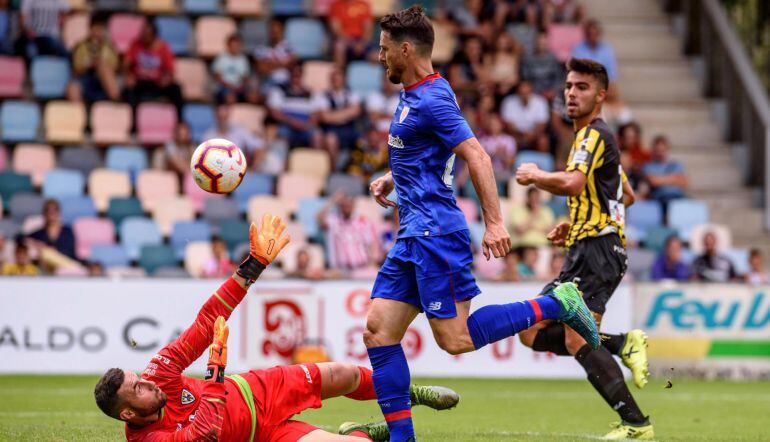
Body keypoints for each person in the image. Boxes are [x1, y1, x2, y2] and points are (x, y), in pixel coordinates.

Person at [360, 8, 600, 440]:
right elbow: (429, 151)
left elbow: (478, 155)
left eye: (384, 49)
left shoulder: (432, 97)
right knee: (379, 331)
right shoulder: (419, 91)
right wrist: (393, 176)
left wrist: (494, 223)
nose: (380, 57)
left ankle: (557, 304)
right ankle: (403, 438)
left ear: (406, 49)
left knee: (456, 341)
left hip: (435, 232)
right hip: (413, 232)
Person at [93, 214, 459, 441]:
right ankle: (361, 431)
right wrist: (215, 368)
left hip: (262, 390)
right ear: (127, 413)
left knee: (346, 373)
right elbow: (204, 435)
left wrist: (253, 266)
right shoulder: (150, 440)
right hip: (264, 435)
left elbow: (206, 322)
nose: (149, 380)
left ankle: (409, 394)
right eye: (138, 387)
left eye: (139, 375)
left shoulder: (159, 371)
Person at [514, 58, 654, 439]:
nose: (572, 94)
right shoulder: (593, 139)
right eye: (569, 86)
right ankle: (622, 343)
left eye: (582, 88)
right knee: (531, 331)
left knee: (575, 336)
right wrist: (576, 222)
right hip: (588, 246)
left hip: (598, 251)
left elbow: (575, 184)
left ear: (601, 96)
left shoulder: (593, 134)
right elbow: (625, 194)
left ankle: (636, 424)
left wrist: (537, 177)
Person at [123, 21, 183, 116]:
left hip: (157, 83)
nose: (143, 36)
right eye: (142, 33)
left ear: (153, 36)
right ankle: (133, 123)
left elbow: (170, 69)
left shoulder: (164, 48)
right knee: (127, 91)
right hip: (140, 82)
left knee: (176, 89)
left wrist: (166, 78)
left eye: (147, 34)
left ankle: (180, 120)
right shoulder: (136, 44)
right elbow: (126, 64)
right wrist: (129, 76)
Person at [317, 191, 380, 272]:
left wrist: (371, 263)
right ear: (339, 206)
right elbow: (319, 218)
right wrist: (332, 201)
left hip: (361, 268)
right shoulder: (333, 220)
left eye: (349, 204)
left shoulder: (362, 221)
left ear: (353, 205)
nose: (347, 207)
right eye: (344, 205)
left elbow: (370, 244)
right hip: (340, 270)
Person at [267, 64, 323, 149]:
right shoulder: (279, 91)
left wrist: (307, 124)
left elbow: (317, 113)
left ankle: (316, 161)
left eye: (298, 75)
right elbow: (275, 113)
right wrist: (293, 122)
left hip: (306, 126)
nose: (296, 78)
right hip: (287, 126)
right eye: (294, 75)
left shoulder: (311, 93)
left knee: (317, 136)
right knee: (281, 137)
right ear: (289, 75)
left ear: (302, 75)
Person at [316, 67, 363, 167]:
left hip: (350, 129)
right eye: (334, 79)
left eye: (338, 78)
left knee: (363, 140)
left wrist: (334, 115)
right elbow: (325, 117)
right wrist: (346, 114)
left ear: (344, 79)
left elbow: (356, 111)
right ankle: (333, 169)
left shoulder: (352, 94)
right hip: (332, 129)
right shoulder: (322, 95)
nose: (336, 81)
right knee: (330, 139)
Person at [70, 15, 120, 102]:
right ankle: (79, 114)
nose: (97, 32)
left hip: (103, 81)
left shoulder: (109, 46)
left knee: (102, 67)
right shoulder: (81, 46)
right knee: (72, 88)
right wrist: (90, 65)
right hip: (86, 78)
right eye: (95, 28)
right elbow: (76, 69)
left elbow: (115, 68)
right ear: (90, 28)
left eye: (100, 29)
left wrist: (100, 64)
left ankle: (116, 103)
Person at [500, 80, 550, 149]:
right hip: (516, 135)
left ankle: (543, 159)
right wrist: (522, 135)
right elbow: (508, 126)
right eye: (522, 93)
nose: (524, 95)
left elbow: (542, 126)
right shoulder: (508, 102)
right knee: (509, 140)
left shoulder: (540, 102)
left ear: (531, 91)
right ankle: (514, 160)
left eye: (527, 92)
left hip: (535, 135)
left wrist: (531, 136)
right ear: (517, 92)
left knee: (543, 140)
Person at [642, 135, 688, 210]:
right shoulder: (648, 166)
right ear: (653, 150)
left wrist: (661, 179)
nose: (660, 153)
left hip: (678, 197)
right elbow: (653, 181)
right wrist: (674, 178)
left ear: (667, 149)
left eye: (662, 150)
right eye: (658, 150)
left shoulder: (676, 165)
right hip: (660, 198)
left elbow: (685, 182)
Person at [212, 34, 257, 104]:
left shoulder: (243, 59)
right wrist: (229, 86)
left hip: (239, 88)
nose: (235, 48)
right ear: (228, 46)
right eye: (233, 46)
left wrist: (241, 86)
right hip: (225, 88)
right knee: (230, 98)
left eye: (237, 46)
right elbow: (217, 77)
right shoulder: (221, 58)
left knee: (253, 97)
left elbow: (245, 77)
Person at [570, 19, 618, 84]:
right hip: (584, 82)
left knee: (613, 89)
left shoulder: (607, 49)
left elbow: (611, 73)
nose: (593, 37)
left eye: (596, 34)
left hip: (602, 83)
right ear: (586, 34)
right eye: (590, 34)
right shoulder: (578, 48)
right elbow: (576, 69)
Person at [253, 19, 296, 89]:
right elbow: (261, 68)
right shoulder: (260, 48)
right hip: (268, 84)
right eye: (272, 32)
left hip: (285, 84)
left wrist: (269, 64)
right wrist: (283, 64)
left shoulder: (289, 47)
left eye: (276, 32)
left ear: (282, 31)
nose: (274, 35)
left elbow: (292, 65)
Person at [329, 0, 374, 66]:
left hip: (361, 41)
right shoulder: (336, 6)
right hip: (345, 40)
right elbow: (337, 31)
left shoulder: (364, 5)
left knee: (377, 56)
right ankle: (340, 74)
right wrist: (353, 44)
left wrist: (362, 44)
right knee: (339, 47)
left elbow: (368, 30)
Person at [521, 32, 563, 101]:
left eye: (544, 44)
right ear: (535, 43)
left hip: (551, 93)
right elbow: (525, 78)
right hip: (533, 93)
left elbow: (558, 78)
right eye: (539, 43)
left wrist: (553, 91)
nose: (542, 45)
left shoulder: (554, 58)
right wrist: (533, 91)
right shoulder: (528, 59)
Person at [478, 114, 516, 183]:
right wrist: (492, 154)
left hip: (504, 173)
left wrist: (502, 154)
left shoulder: (508, 140)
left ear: (501, 125)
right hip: (488, 172)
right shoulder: (484, 141)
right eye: (491, 124)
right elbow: (480, 161)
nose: (494, 126)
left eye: (496, 124)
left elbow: (511, 163)